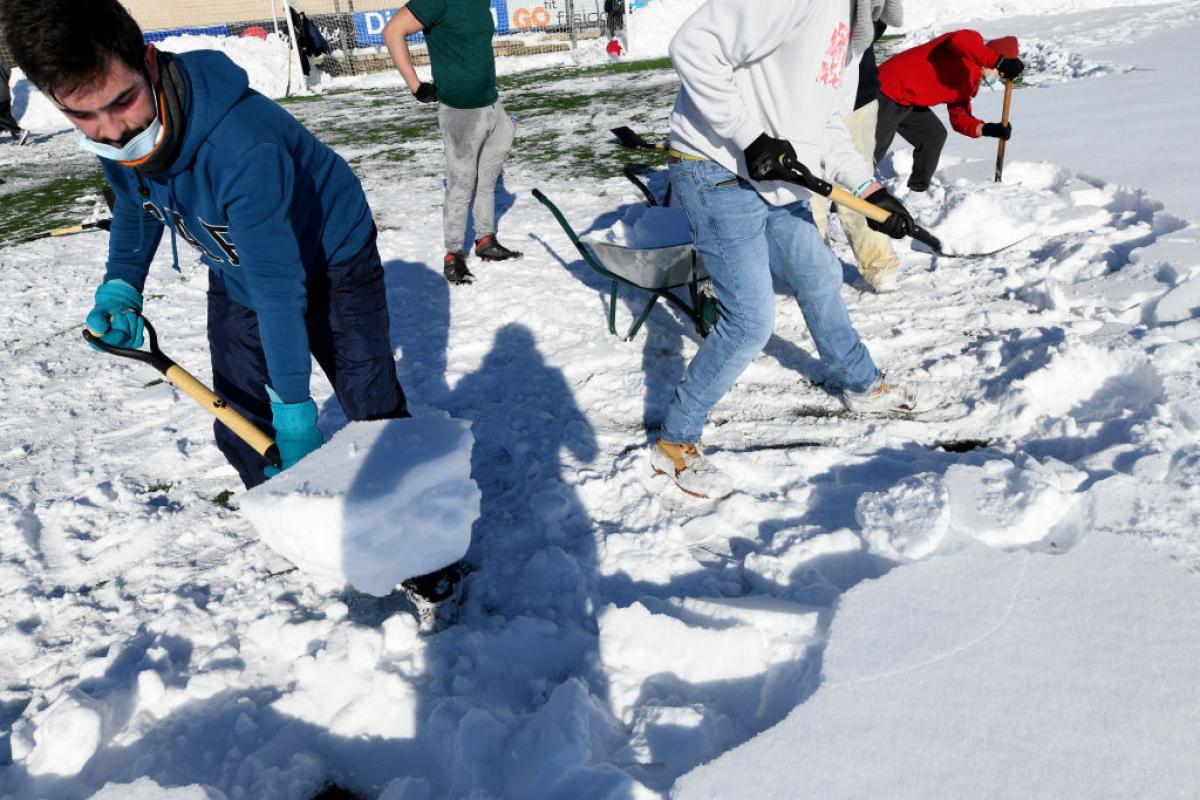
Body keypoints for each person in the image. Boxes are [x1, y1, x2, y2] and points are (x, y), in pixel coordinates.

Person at [0, 0, 465, 613]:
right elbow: (138, 207)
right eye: (82, 115)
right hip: (237, 262)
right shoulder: (115, 130)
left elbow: (280, 288)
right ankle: (305, 518)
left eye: (122, 103)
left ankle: (429, 555)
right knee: (240, 414)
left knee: (369, 402)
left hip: (330, 259)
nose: (112, 131)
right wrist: (122, 286)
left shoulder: (242, 144)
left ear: (149, 60)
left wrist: (298, 413)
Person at [650, 0, 935, 500]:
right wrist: (750, 137)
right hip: (715, 166)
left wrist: (871, 191)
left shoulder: (853, 27)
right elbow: (693, 47)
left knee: (820, 275)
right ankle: (675, 441)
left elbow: (825, 125)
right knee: (749, 322)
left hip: (775, 175)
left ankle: (861, 385)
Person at [383, 0, 522, 286]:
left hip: (492, 105)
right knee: (461, 186)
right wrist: (416, 86)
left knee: (486, 181)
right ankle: (453, 256)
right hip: (461, 112)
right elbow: (392, 31)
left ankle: (485, 240)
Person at [811, 2, 904, 293]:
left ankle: (875, 266)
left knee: (851, 184)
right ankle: (816, 270)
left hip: (848, 96)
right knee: (811, 191)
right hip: (819, 96)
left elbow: (871, 24)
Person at [874, 30, 1024, 192]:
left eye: (1001, 75)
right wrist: (999, 61)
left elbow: (959, 119)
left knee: (933, 135)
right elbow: (959, 40)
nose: (996, 77)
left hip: (906, 100)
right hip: (886, 88)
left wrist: (988, 129)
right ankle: (851, 189)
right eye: (998, 71)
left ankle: (917, 190)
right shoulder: (970, 43)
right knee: (873, 149)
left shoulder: (968, 84)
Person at [0, 56, 29, 144]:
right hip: (5, 91)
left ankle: (18, 132)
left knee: (3, 117)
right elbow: (8, 71)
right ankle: (17, 135)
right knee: (6, 115)